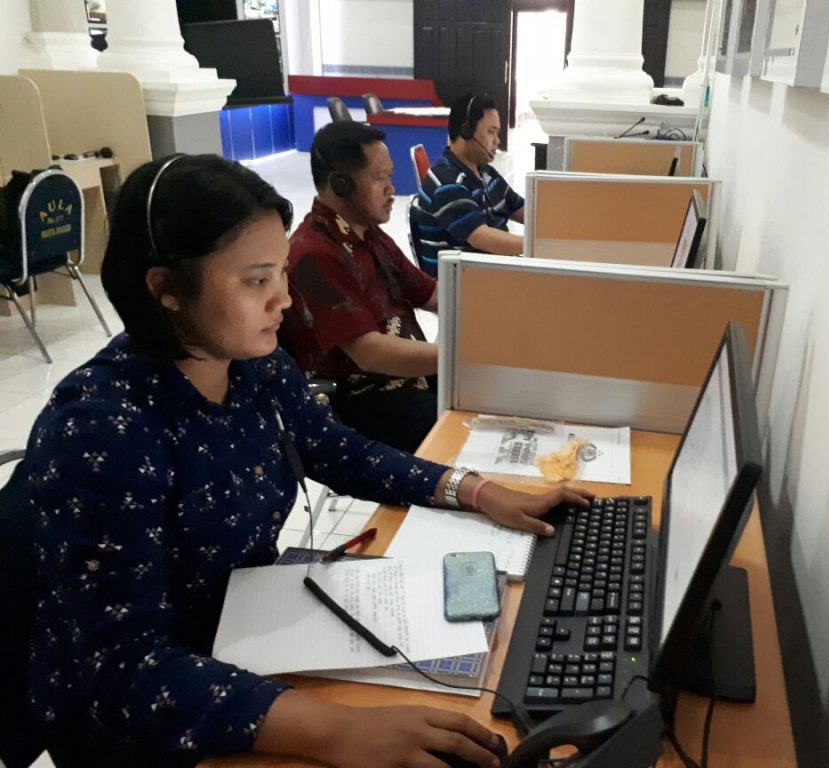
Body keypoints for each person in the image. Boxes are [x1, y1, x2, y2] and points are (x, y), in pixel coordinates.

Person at [24, 153, 591, 768]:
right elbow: (123, 670)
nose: (286, 301)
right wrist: (337, 729)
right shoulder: (102, 429)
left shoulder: (254, 366)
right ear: (166, 290)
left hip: (245, 639)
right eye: (257, 281)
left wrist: (476, 491)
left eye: (282, 274)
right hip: (152, 715)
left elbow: (339, 450)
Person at [283, 121, 440, 453]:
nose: (392, 188)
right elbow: (370, 353)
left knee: (496, 394)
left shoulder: (370, 234)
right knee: (471, 431)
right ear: (340, 184)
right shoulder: (313, 254)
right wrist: (464, 357)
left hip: (407, 380)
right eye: (380, 178)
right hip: (364, 398)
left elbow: (430, 293)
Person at [410, 92, 525, 267]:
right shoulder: (447, 182)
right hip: (462, 278)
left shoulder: (485, 172)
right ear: (466, 131)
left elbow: (521, 209)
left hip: (489, 270)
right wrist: (537, 247)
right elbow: (481, 237)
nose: (497, 141)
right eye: (491, 132)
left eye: (497, 133)